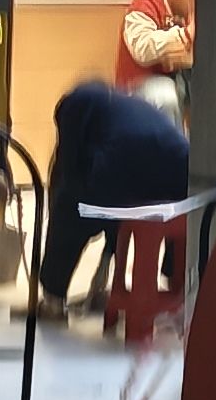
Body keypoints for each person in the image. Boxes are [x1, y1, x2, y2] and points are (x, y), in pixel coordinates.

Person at [38, 75, 190, 318]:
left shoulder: (75, 103)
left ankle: (53, 300)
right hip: (179, 176)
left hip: (126, 166)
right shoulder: (131, 104)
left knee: (69, 213)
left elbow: (69, 165)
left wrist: (60, 205)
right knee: (121, 209)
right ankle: (174, 283)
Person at [121, 0, 196, 110]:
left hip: (176, 81)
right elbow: (141, 49)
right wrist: (185, 35)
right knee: (165, 95)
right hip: (136, 88)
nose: (196, 3)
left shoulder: (190, 12)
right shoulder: (144, 6)